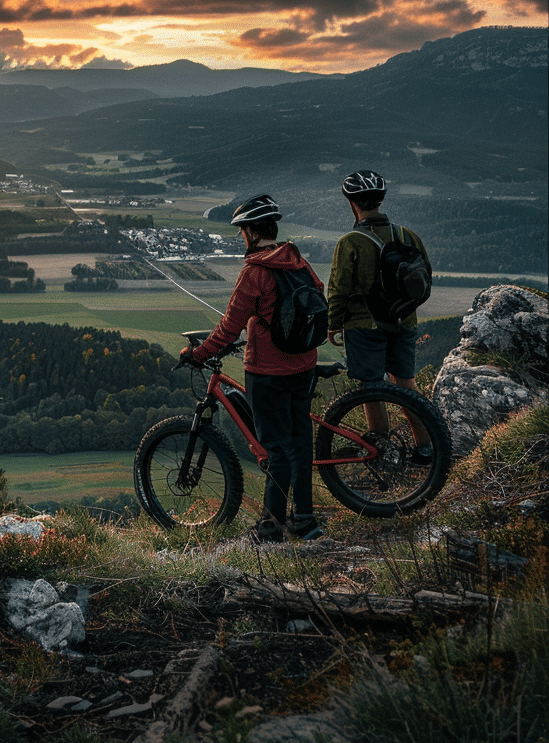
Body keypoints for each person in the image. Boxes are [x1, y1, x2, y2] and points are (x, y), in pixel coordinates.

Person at [181, 194, 325, 543]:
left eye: (242, 231)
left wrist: (198, 354)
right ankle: (304, 520)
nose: (242, 237)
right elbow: (318, 296)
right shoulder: (298, 261)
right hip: (303, 364)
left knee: (275, 447)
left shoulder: (255, 271)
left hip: (268, 371)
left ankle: (271, 527)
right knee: (299, 443)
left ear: (251, 232)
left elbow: (229, 327)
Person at [326, 169, 433, 459]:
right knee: (406, 384)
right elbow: (425, 278)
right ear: (380, 201)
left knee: (371, 388)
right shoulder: (407, 235)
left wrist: (333, 325)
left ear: (352, 203)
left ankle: (381, 448)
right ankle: (425, 448)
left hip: (365, 325)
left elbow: (338, 289)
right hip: (404, 321)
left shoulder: (350, 241)